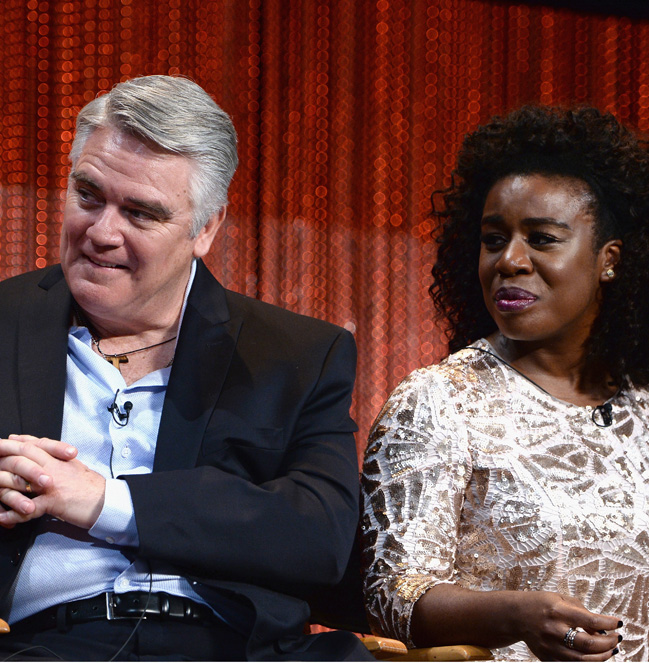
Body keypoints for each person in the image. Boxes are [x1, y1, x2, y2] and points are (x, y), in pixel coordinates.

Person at [0, 75, 371, 661]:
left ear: (206, 229)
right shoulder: (5, 321)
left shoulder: (296, 354)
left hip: (241, 649)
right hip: (49, 646)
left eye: (141, 213)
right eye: (88, 195)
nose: (100, 233)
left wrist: (104, 501)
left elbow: (319, 535)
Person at [361, 105, 649, 661]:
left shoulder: (642, 403)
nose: (510, 261)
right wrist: (516, 615)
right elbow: (390, 595)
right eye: (494, 239)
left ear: (609, 260)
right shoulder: (438, 401)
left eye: (541, 239)